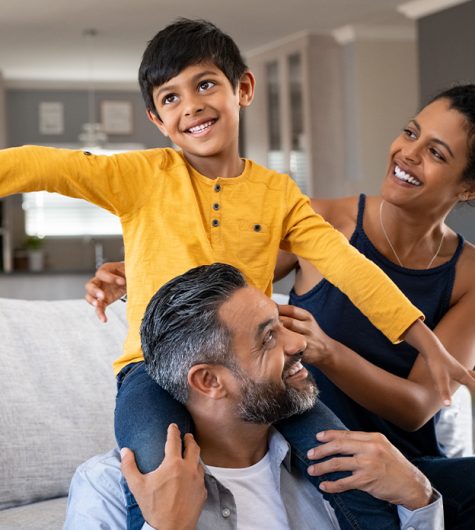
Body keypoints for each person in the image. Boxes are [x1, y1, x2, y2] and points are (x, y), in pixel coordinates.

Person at [2, 18, 473, 529]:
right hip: (150, 369)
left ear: (242, 89)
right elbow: (44, 165)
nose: (191, 106)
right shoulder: (139, 176)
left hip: (260, 375)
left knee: (349, 473)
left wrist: (427, 343)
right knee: (154, 472)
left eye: (205, 84)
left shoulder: (279, 195)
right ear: (157, 119)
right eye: (171, 98)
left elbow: (350, 267)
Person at [64, 263, 444, 530]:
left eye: (282, 324)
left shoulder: (340, 471)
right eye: (268, 337)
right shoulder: (107, 488)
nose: (299, 344)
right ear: (209, 381)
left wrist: (419, 498)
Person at [273, 84, 475, 528]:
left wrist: (328, 352)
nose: (408, 153)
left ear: (468, 188)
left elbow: (417, 406)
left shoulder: (468, 275)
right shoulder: (318, 220)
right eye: (410, 133)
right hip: (314, 458)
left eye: (436, 153)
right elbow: (219, 281)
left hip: (408, 469)